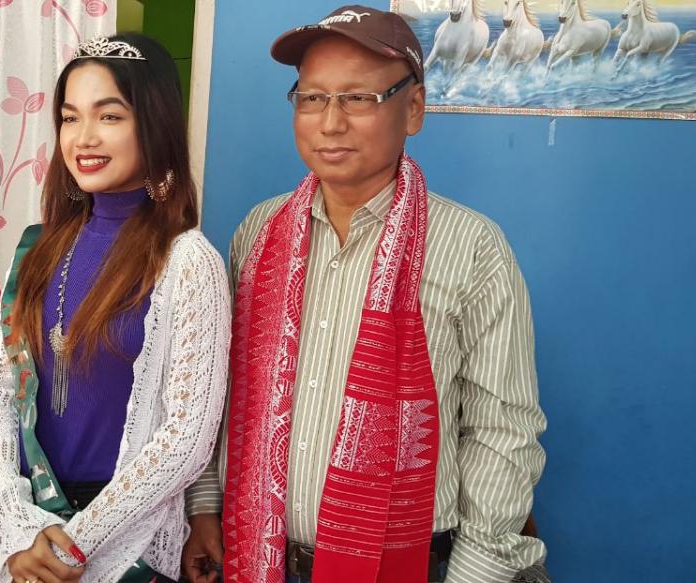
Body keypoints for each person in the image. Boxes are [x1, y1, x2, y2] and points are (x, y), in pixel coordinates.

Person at [181, 6, 550, 583]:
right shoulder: (258, 233)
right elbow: (216, 392)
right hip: (259, 558)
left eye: (358, 98)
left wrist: (474, 573)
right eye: (312, 98)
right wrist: (205, 508)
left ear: (415, 108)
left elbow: (501, 430)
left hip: (411, 566)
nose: (330, 123)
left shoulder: (472, 247)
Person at [0, 33, 231, 583]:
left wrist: (73, 546)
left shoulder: (189, 261)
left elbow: (186, 439)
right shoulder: (37, 249)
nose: (84, 137)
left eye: (109, 116)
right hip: (26, 541)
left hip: (124, 545)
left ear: (153, 124)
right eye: (70, 117)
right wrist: (18, 527)